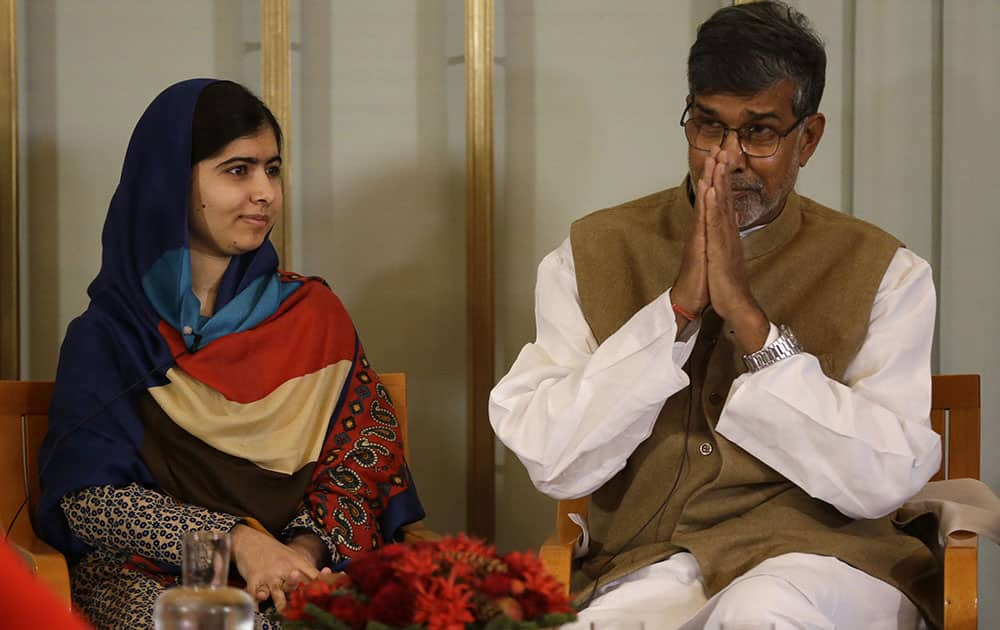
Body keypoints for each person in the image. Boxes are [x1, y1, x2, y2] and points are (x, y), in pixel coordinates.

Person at [489, 3, 942, 629]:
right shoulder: (591, 252)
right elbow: (555, 460)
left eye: (759, 132)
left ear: (806, 138)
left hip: (826, 564)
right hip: (650, 564)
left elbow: (884, 479)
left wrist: (750, 323)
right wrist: (675, 311)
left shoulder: (887, 272)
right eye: (709, 127)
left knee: (762, 614)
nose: (725, 159)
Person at [36, 79, 424, 629]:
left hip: (305, 567)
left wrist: (299, 556)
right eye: (238, 170)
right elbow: (91, 501)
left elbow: (363, 460)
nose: (264, 192)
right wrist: (233, 542)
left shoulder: (313, 315)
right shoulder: (111, 335)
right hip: (150, 576)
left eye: (273, 168)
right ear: (170, 182)